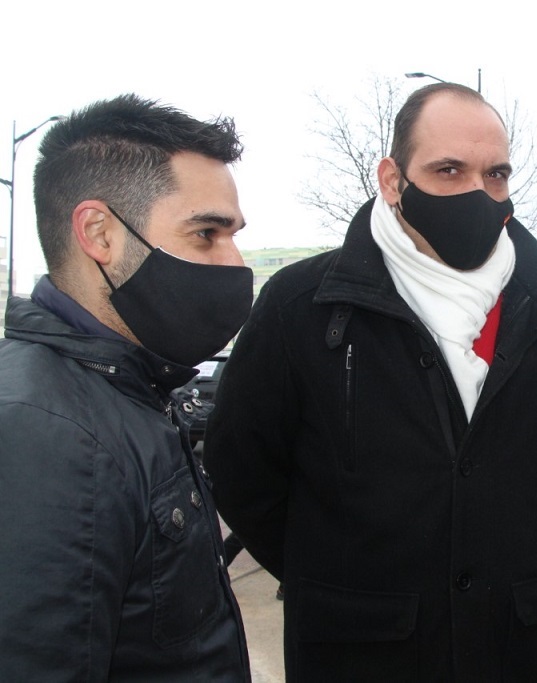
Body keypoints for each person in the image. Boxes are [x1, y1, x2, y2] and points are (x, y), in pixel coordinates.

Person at [204, 82, 537, 681]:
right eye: (448, 170)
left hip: (521, 653)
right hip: (360, 655)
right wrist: (340, 579)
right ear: (392, 180)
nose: (478, 193)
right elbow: (244, 474)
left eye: (496, 175)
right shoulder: (300, 307)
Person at [0, 94, 252, 680]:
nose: (235, 261)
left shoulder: (130, 389)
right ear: (99, 233)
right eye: (206, 233)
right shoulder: (48, 436)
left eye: (234, 234)